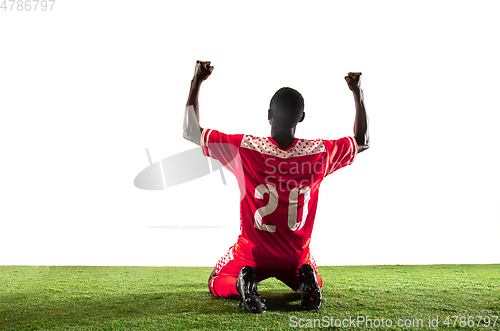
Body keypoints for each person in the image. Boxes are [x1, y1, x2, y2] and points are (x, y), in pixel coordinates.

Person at [183, 60, 369, 314]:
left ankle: (242, 285)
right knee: (314, 273)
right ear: (301, 117)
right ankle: (307, 282)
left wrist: (197, 81)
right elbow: (362, 141)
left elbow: (190, 131)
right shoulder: (319, 153)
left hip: (253, 253)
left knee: (215, 281)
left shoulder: (244, 149)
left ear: (269, 114)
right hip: (294, 256)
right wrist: (357, 92)